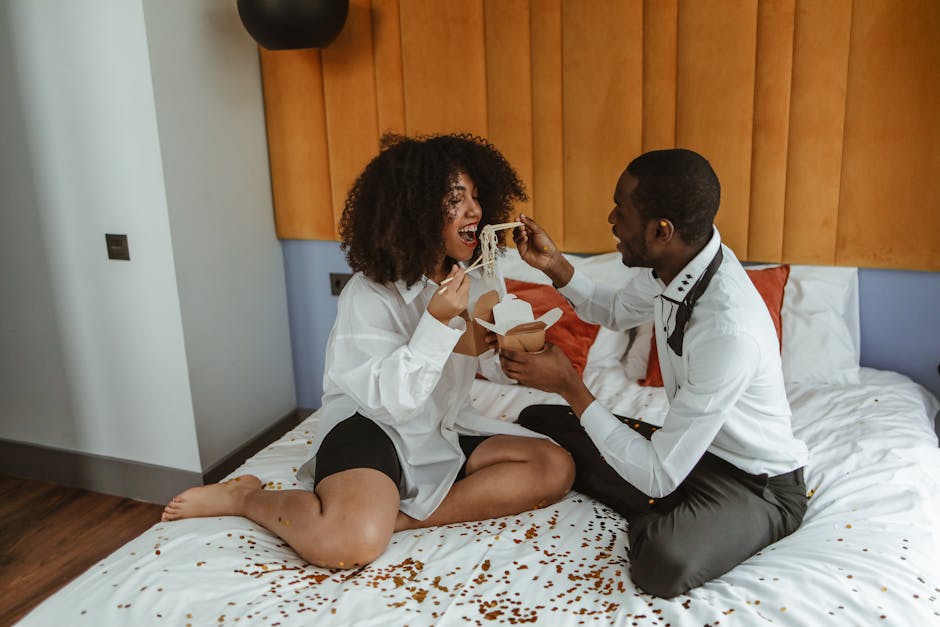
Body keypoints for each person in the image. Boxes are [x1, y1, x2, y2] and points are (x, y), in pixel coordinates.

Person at [161, 133, 574, 570]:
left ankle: (394, 520)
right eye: (456, 199)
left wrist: (512, 344)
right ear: (413, 210)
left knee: (554, 467)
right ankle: (247, 497)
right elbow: (391, 404)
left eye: (476, 196)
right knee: (349, 545)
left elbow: (491, 364)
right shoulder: (368, 294)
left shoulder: (483, 277)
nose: (475, 210)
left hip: (440, 424)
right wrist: (434, 323)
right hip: (372, 425)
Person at [498, 148, 808, 598]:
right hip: (697, 456)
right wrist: (554, 266)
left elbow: (661, 473)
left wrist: (571, 385)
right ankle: (664, 501)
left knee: (662, 564)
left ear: (661, 230)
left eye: (620, 211)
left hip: (756, 485)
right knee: (537, 422)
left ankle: (665, 512)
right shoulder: (675, 265)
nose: (611, 220)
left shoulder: (727, 331)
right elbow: (618, 311)